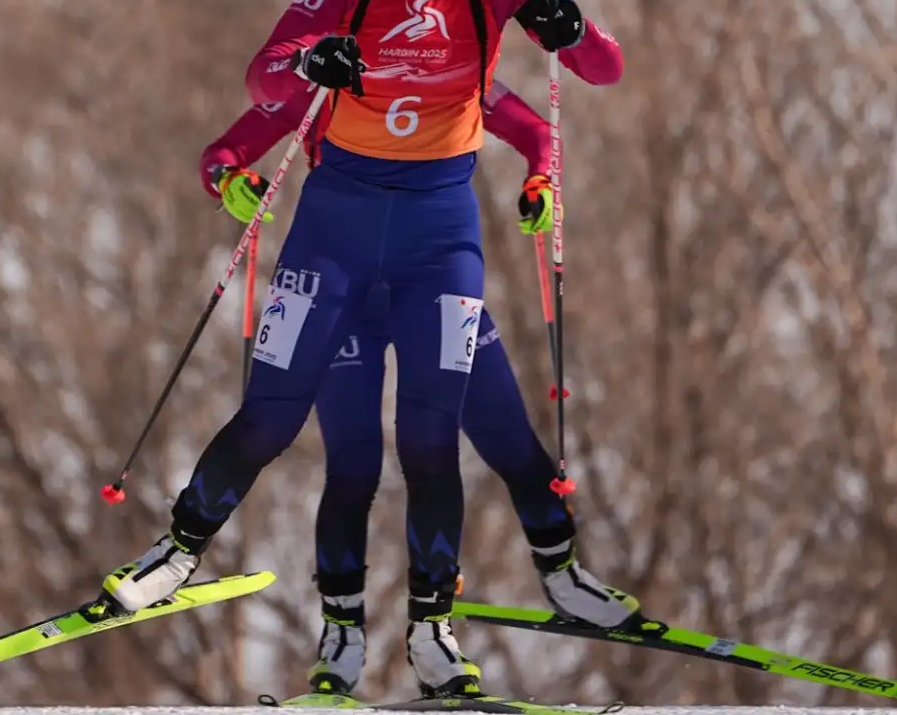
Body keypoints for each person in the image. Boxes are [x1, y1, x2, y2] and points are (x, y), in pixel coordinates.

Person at [97, 0, 623, 698]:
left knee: (429, 438)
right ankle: (174, 554)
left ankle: (432, 632)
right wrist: (312, 59)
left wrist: (571, 23)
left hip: (440, 233)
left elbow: (600, 69)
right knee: (269, 417)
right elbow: (263, 80)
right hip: (336, 226)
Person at [203, 83, 641, 699]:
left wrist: (541, 180)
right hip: (345, 301)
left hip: (434, 285)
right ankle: (342, 633)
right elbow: (226, 149)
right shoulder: (324, 79)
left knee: (505, 440)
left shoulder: (454, 71)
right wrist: (229, 181)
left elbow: (539, 132)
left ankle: (556, 580)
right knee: (353, 466)